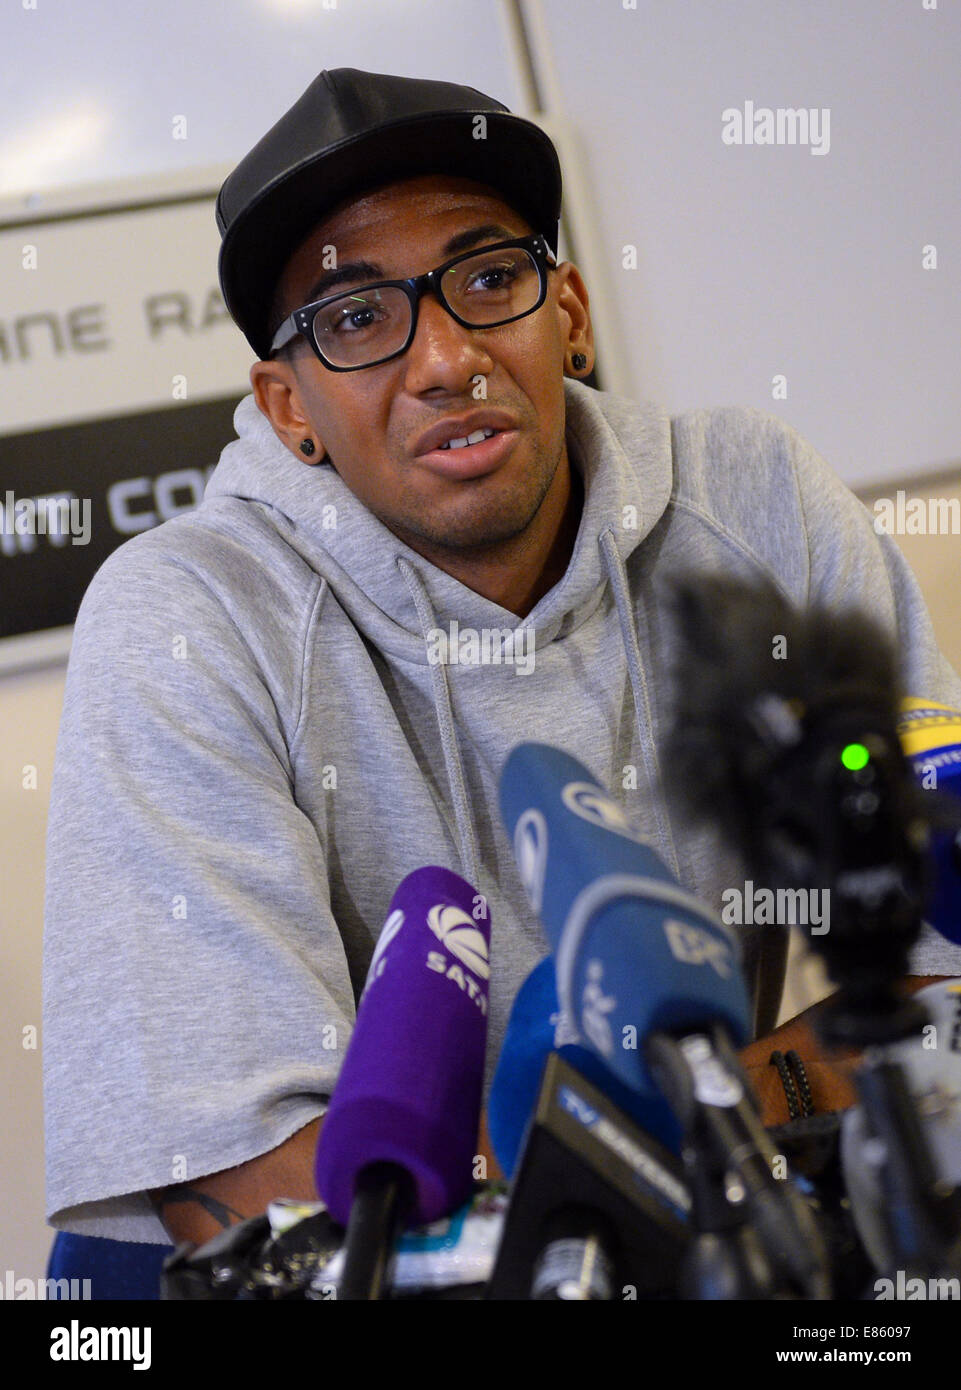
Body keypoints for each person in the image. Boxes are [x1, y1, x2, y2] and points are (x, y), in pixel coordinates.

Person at [43, 67, 961, 1255]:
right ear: (288, 408)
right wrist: (723, 1117)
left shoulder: (757, 502)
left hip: (695, 1233)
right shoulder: (184, 612)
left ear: (568, 314)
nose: (444, 359)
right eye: (357, 317)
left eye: (488, 279)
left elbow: (935, 983)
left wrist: (697, 1122)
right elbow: (249, 1186)